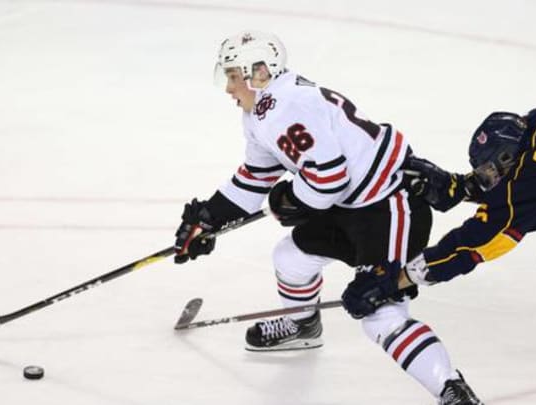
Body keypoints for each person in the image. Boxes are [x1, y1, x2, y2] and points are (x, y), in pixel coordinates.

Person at [172, 30, 483, 404]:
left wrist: (290, 199)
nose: (227, 88)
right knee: (290, 258)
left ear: (259, 72)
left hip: (389, 205)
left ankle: (451, 390)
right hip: (350, 204)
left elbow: (328, 178)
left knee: (380, 312)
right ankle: (304, 324)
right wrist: (210, 216)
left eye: (233, 77)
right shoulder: (264, 110)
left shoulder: (286, 107)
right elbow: (258, 176)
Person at [340, 105, 536, 400]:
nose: (490, 178)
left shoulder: (528, 184)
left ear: (505, 157)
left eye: (491, 171)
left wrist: (396, 280)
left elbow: (471, 245)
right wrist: (461, 187)